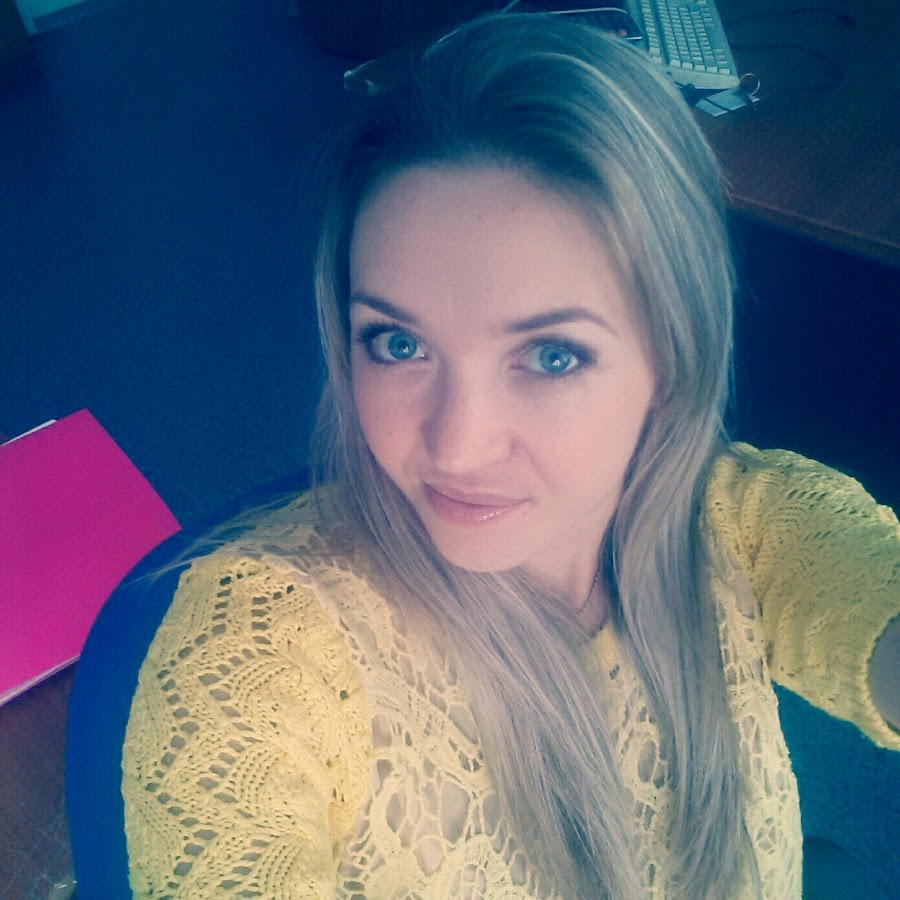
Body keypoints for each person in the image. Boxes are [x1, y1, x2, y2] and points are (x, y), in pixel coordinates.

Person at [121, 11, 899, 898]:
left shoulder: (746, 528)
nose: (456, 447)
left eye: (552, 355)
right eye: (398, 344)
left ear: (673, 357)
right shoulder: (262, 645)